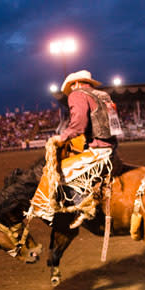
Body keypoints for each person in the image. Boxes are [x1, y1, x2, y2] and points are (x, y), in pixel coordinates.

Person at [28, 70, 123, 228]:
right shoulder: (103, 95)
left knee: (58, 171)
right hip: (112, 146)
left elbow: (79, 124)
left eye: (71, 87)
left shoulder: (78, 94)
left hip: (99, 151)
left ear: (76, 83)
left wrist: (62, 137)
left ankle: (84, 205)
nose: (70, 92)